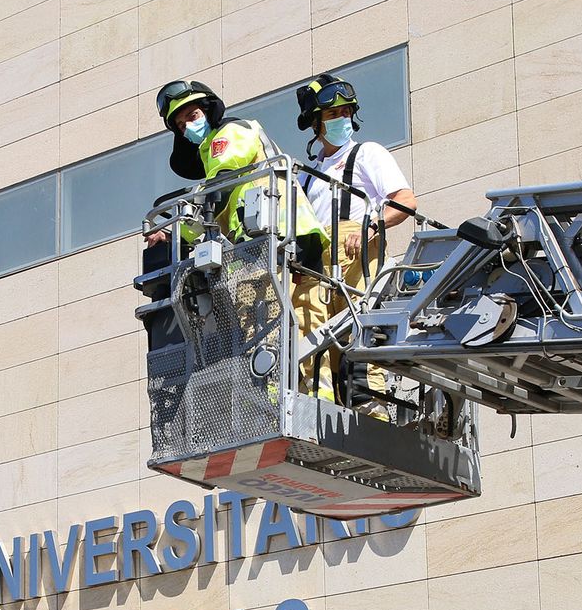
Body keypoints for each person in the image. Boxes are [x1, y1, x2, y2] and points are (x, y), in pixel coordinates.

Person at [145, 80, 336, 398]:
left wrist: (177, 223)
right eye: (180, 125)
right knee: (305, 322)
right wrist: (177, 228)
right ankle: (319, 395)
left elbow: (218, 186)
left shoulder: (228, 134)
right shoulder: (219, 150)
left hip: (269, 242)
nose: (187, 127)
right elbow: (215, 211)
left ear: (207, 111)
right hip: (296, 236)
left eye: (191, 116)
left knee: (260, 322)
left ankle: (274, 399)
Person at [293, 74, 418, 413]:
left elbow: (405, 200)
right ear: (316, 122)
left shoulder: (366, 153)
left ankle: (368, 402)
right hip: (317, 258)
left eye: (346, 112)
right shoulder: (306, 175)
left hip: (357, 252)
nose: (342, 120)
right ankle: (320, 400)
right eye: (333, 115)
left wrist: (370, 228)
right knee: (312, 329)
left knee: (360, 323)